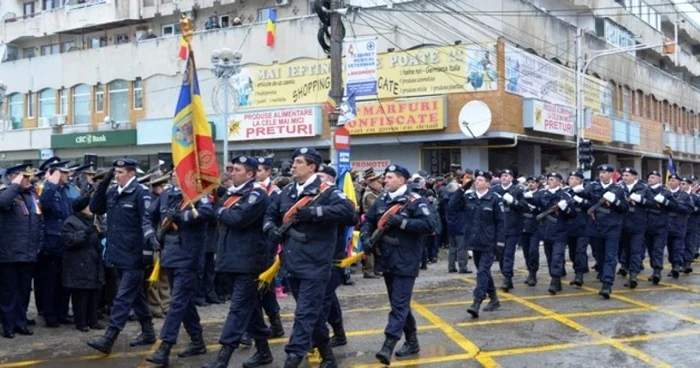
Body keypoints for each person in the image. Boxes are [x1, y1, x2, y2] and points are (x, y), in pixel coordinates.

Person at [263, 147, 355, 368]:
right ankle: (328, 357)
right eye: (293, 162)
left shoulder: (328, 192)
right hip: (292, 262)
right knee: (311, 314)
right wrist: (271, 229)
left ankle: (293, 357)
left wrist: (315, 213)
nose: (293, 166)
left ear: (312, 167)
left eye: (298, 162)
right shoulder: (288, 192)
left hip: (316, 263)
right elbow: (270, 214)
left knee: (304, 313)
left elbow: (349, 213)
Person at [360, 165, 435, 365]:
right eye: (386, 177)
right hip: (386, 259)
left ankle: (389, 343)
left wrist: (402, 223)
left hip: (406, 259)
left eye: (390, 177)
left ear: (402, 180)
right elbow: (368, 221)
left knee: (399, 304)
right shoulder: (383, 199)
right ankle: (412, 341)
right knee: (398, 303)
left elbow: (430, 225)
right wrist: (366, 238)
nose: (385, 180)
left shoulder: (415, 201)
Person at [203, 156, 272, 368]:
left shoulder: (256, 195)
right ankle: (264, 352)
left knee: (238, 309)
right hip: (232, 260)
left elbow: (238, 219)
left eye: (237, 170)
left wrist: (220, 211)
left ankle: (223, 357)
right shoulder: (232, 194)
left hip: (249, 262)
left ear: (250, 174)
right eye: (231, 169)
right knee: (250, 308)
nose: (232, 172)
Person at [87, 158, 156, 354]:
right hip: (117, 253)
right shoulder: (114, 193)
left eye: (120, 172)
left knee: (123, 297)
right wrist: (105, 182)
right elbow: (95, 208)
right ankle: (148, 332)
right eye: (115, 172)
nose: (117, 175)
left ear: (131, 173)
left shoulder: (140, 194)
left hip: (134, 255)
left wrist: (147, 254)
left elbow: (147, 223)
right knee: (136, 296)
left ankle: (110, 337)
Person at [145, 172, 214, 366]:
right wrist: (150, 234)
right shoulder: (167, 195)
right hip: (170, 256)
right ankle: (197, 340)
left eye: (179, 172)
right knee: (184, 301)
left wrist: (182, 215)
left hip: (189, 256)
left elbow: (208, 213)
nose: (176, 176)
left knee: (176, 302)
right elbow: (148, 215)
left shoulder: (198, 194)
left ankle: (165, 346)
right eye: (174, 173)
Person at [448, 170, 505, 318]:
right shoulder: (469, 197)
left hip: (489, 242)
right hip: (474, 241)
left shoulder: (494, 199)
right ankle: (494, 299)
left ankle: (477, 301)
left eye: (480, 180)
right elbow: (452, 206)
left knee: (482, 272)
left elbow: (501, 222)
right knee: (483, 271)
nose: (477, 182)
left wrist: (500, 243)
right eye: (476, 180)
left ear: (487, 183)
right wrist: (462, 189)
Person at [316, 165, 358, 350]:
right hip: (316, 255)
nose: (317, 179)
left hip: (334, 255)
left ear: (331, 179)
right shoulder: (311, 195)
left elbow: (351, 218)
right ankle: (339, 334)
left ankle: (315, 337)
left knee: (323, 297)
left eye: (321, 176)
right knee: (328, 297)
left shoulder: (336, 197)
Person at [572, 164, 628, 299]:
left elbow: (624, 208)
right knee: (600, 256)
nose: (602, 175)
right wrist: (578, 190)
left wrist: (615, 201)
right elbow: (586, 194)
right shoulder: (593, 186)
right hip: (595, 227)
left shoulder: (618, 189)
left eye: (604, 172)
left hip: (612, 228)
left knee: (610, 257)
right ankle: (604, 274)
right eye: (600, 172)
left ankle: (607, 284)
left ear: (611, 174)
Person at [0, 164, 42, 339]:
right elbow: (3, 203)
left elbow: (40, 222)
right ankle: (8, 326)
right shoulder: (6, 194)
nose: (28, 179)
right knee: (9, 292)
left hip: (28, 253)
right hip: (9, 253)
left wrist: (39, 244)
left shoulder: (32, 195)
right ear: (12, 178)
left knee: (24, 292)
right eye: (23, 176)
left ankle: (20, 323)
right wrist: (14, 186)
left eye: (28, 176)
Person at [38, 157, 78, 328]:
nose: (68, 175)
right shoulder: (45, 188)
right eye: (64, 172)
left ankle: (62, 313)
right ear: (55, 173)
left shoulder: (68, 189)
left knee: (64, 282)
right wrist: (51, 183)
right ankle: (50, 315)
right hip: (51, 242)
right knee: (50, 283)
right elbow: (44, 205)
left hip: (66, 242)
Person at [61, 195, 104, 332]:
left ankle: (93, 320)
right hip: (78, 264)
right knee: (80, 295)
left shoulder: (94, 220)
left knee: (93, 293)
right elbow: (70, 241)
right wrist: (86, 232)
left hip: (93, 262)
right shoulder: (71, 222)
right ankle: (81, 322)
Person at [524, 173, 572, 294]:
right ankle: (557, 280)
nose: (548, 182)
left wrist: (565, 209)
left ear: (558, 182)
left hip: (560, 231)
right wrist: (528, 199)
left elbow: (572, 215)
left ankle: (554, 281)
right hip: (545, 231)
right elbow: (536, 205)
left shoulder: (565, 195)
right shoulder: (542, 193)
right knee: (550, 257)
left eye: (551, 180)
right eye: (548, 179)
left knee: (557, 257)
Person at [617, 167, 654, 289]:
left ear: (634, 177)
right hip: (622, 225)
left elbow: (652, 203)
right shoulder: (619, 187)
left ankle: (633, 275)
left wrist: (641, 200)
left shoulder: (643, 188)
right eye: (623, 175)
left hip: (638, 225)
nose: (624, 178)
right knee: (625, 251)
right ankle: (626, 269)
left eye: (627, 175)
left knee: (636, 251)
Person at [491, 169, 526, 292]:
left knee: (508, 254)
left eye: (506, 176)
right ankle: (507, 276)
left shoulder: (517, 190)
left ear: (511, 178)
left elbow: (523, 207)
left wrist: (513, 201)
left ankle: (507, 277)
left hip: (512, 227)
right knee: (500, 255)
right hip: (499, 228)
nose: (504, 178)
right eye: (502, 176)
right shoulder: (495, 190)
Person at [146, 173, 172, 318]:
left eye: (164, 185)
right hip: (154, 242)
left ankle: (166, 304)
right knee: (154, 277)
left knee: (165, 276)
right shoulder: (150, 201)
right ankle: (155, 306)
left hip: (165, 242)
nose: (163, 189)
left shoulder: (166, 200)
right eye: (160, 186)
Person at [645, 171, 677, 284]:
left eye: (653, 177)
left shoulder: (665, 192)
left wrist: (664, 201)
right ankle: (654, 269)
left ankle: (657, 271)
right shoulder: (645, 191)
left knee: (657, 249)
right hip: (647, 225)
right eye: (649, 177)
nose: (650, 179)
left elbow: (674, 206)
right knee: (650, 250)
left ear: (659, 179)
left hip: (660, 225)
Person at [665, 174, 693, 279]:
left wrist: (676, 205)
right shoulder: (665, 193)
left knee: (678, 247)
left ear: (678, 183)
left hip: (679, 225)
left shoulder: (685, 195)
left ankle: (676, 267)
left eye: (674, 180)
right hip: (666, 226)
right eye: (670, 180)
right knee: (670, 248)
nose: (671, 182)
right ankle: (673, 265)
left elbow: (689, 209)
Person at [565, 171, 591, 287]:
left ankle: (579, 275)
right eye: (570, 178)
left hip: (584, 225)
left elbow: (592, 205)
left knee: (580, 250)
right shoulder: (567, 192)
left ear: (580, 181)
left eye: (573, 178)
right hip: (570, 226)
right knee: (572, 252)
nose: (570, 180)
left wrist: (581, 198)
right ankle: (580, 268)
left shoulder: (586, 191)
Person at [361, 168, 383, 279]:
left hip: (375, 223)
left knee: (375, 247)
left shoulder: (376, 193)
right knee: (369, 247)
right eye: (379, 184)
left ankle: (375, 269)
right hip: (369, 224)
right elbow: (376, 208)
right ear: (373, 184)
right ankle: (368, 271)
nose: (381, 186)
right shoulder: (369, 195)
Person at [445, 182, 470, 274]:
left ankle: (451, 267)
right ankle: (463, 267)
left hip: (451, 226)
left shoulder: (446, 198)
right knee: (462, 248)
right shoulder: (455, 199)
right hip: (460, 225)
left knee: (452, 248)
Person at [521, 177, 541, 286]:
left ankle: (533, 273)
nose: (530, 184)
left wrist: (533, 206)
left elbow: (542, 208)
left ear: (537, 184)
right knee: (526, 251)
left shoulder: (540, 194)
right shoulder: (524, 194)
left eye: (533, 182)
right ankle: (529, 272)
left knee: (533, 251)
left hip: (535, 225)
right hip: (524, 225)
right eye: (528, 183)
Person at [681, 177, 700, 274]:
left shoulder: (695, 197)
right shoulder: (678, 196)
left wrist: (693, 209)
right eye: (681, 184)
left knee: (690, 244)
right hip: (680, 224)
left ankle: (687, 264)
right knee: (679, 245)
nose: (682, 186)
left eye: (684, 184)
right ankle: (677, 265)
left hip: (693, 224)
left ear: (689, 185)